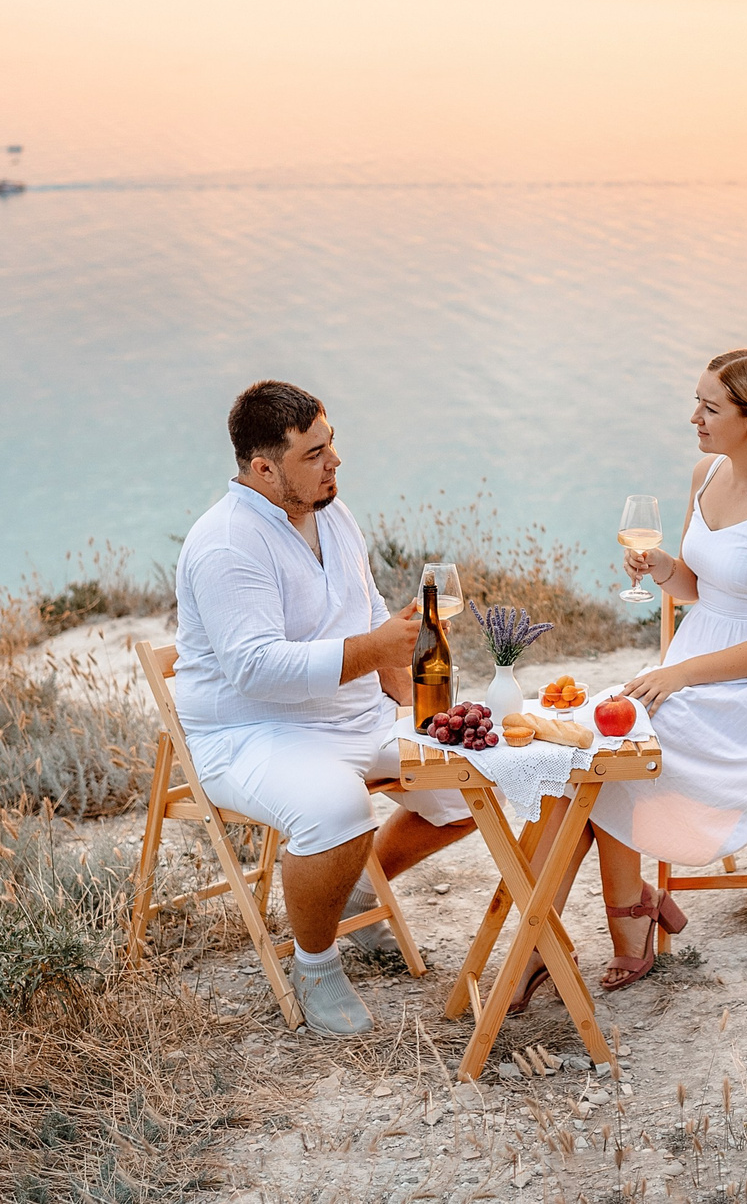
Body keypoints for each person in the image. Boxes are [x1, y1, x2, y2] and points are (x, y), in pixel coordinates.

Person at [519, 348, 747, 1005]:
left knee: (607, 754)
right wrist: (663, 566)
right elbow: (701, 584)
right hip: (697, 653)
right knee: (590, 751)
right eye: (697, 400)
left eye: (710, 406)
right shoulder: (706, 473)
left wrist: (682, 674)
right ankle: (561, 937)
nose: (693, 416)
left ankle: (559, 941)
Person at [171, 378, 474, 1034]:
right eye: (314, 453)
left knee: (478, 777)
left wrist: (417, 707)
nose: (334, 462)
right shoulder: (227, 543)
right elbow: (255, 668)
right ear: (263, 468)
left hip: (354, 716)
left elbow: (363, 616)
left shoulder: (332, 511)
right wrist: (372, 648)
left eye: (331, 443)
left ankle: (359, 892)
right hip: (252, 733)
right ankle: (315, 964)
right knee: (338, 806)